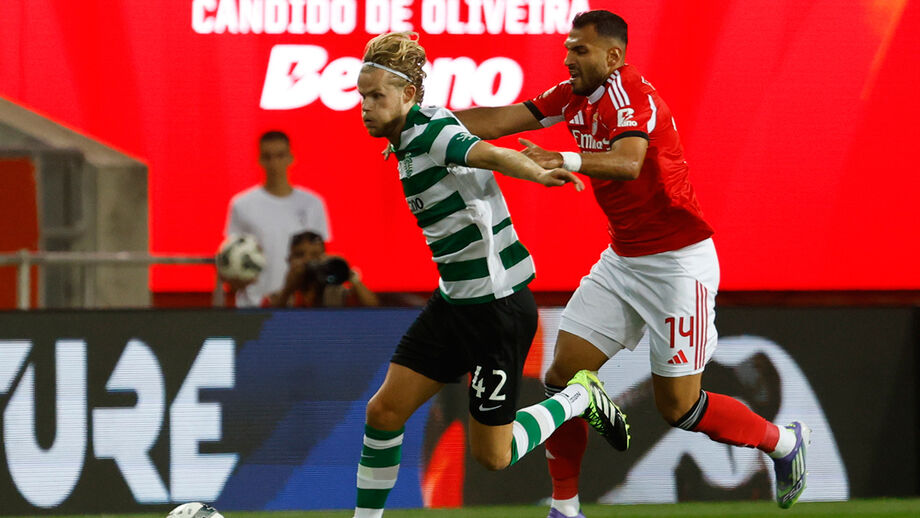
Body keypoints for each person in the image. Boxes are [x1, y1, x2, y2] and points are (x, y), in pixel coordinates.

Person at [454, 10, 810, 516]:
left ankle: (782, 443)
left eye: (580, 49)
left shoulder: (633, 96)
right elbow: (501, 117)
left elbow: (627, 162)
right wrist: (423, 126)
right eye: (567, 48)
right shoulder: (573, 95)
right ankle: (566, 507)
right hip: (623, 260)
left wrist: (565, 159)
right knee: (561, 378)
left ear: (613, 56)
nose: (568, 57)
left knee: (680, 409)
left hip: (677, 267)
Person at [351, 32, 629, 518]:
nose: (366, 107)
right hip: (454, 303)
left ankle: (579, 395)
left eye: (377, 96)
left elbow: (484, 152)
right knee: (383, 412)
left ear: (409, 95)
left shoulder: (431, 133)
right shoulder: (404, 138)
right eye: (362, 96)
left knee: (493, 456)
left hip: (496, 309)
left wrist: (536, 172)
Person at [223, 130, 331, 307]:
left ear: (290, 158)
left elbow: (319, 256)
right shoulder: (242, 204)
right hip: (253, 306)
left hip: (300, 308)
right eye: (268, 157)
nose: (274, 163)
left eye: (280, 156)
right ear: (260, 160)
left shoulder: (312, 204)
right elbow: (233, 260)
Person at [265, 230, 378, 308]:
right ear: (289, 260)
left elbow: (374, 309)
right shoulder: (280, 297)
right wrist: (288, 289)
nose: (307, 260)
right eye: (299, 255)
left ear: (325, 257)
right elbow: (267, 322)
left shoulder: (337, 293)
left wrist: (350, 276)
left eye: (315, 255)